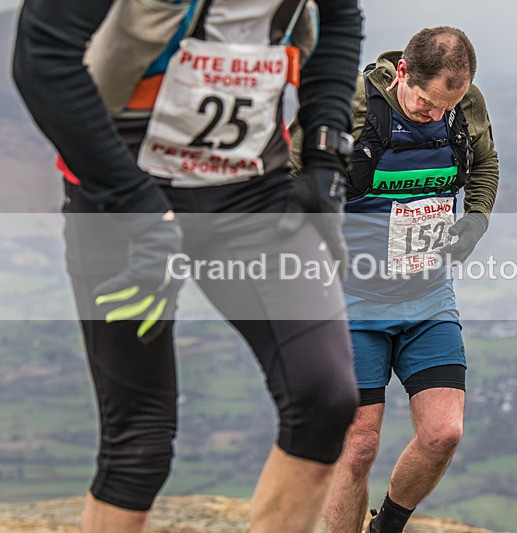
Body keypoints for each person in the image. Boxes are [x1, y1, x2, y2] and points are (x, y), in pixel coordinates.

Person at [14, 1, 362, 532]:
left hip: (254, 192)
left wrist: (322, 156)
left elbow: (340, 14)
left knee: (325, 398)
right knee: (139, 441)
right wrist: (139, 211)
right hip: (121, 192)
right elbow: (41, 59)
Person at [292, 26, 499, 533]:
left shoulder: (463, 105)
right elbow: (292, 175)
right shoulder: (350, 106)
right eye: (427, 104)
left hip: (427, 294)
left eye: (446, 108)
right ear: (403, 71)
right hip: (351, 299)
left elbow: (485, 165)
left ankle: (385, 527)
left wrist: (474, 220)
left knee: (444, 433)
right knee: (358, 443)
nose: (437, 116)